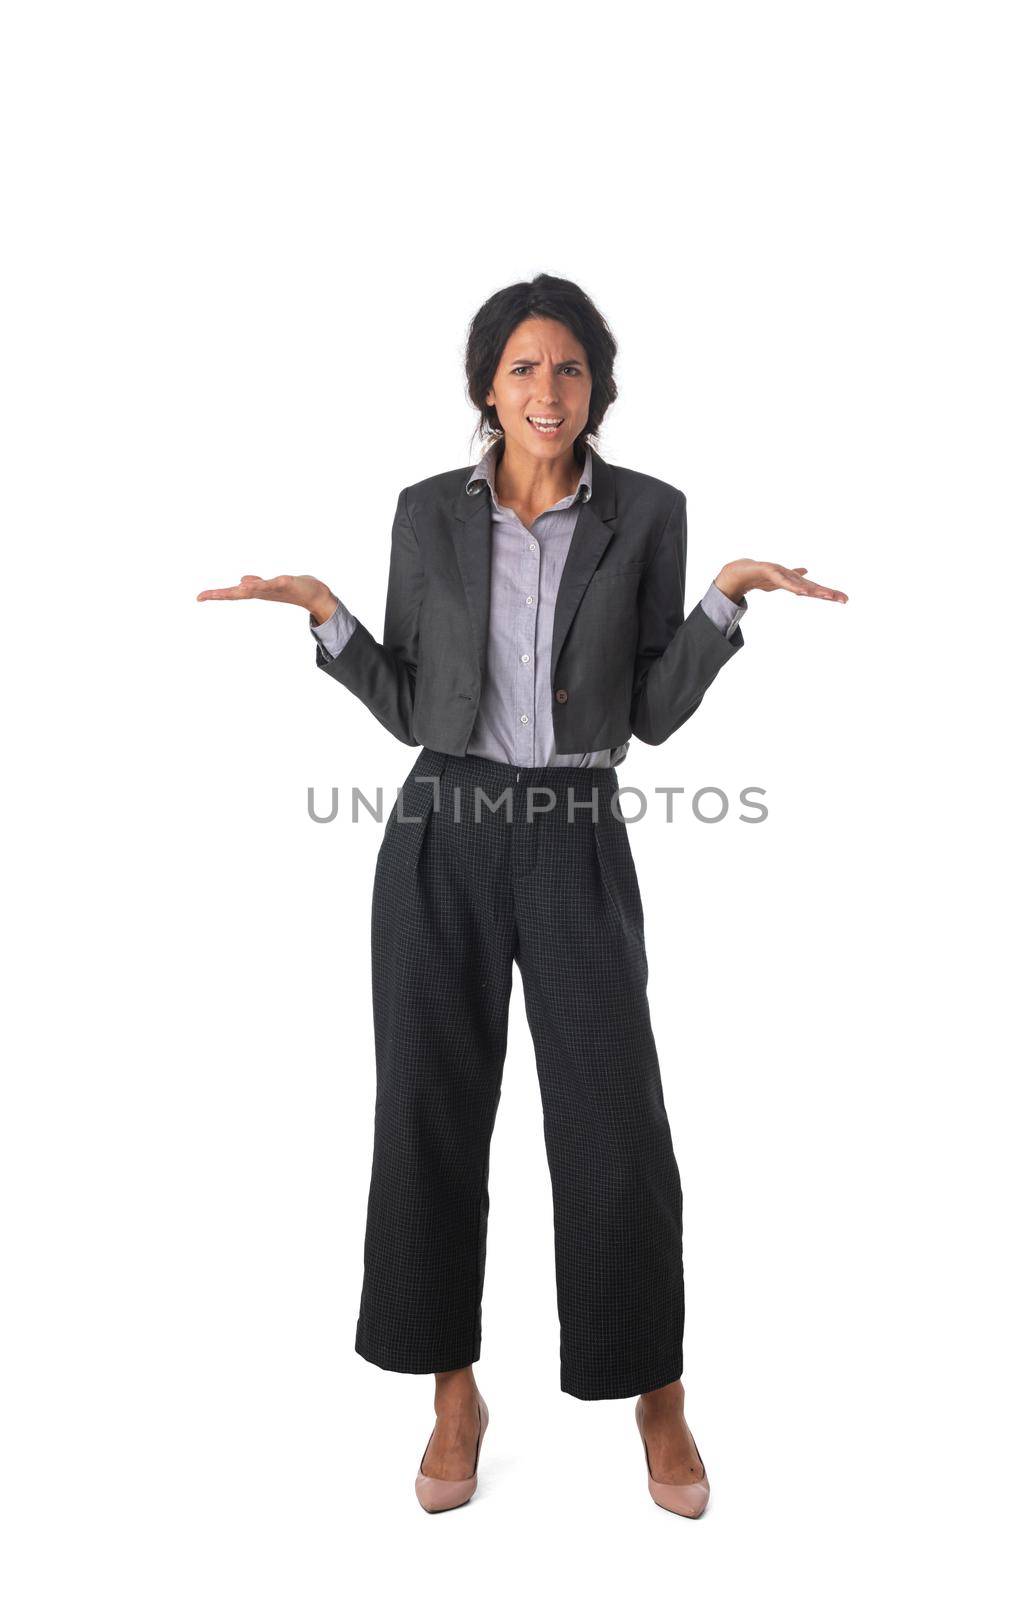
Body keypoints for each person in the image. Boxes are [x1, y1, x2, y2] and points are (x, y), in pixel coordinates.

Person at [197, 274, 847, 1517]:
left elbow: (648, 716)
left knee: (613, 1123)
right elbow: (411, 708)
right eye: (521, 369)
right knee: (430, 1112)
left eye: (568, 370)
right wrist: (327, 618)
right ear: (485, 386)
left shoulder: (645, 513)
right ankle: (453, 1391)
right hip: (442, 828)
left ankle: (653, 1390)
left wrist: (724, 599)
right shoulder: (424, 515)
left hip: (574, 831)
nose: (546, 391)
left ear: (595, 387)